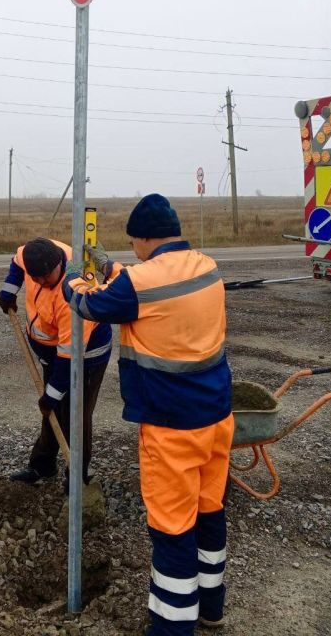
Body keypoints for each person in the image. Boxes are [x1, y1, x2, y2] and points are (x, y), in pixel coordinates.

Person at [63, 195, 233, 635]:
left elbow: (91, 306)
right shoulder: (206, 265)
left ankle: (173, 627)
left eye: (134, 243)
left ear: (143, 238)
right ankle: (211, 609)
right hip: (217, 417)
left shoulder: (139, 283)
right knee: (209, 511)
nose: (134, 250)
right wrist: (113, 269)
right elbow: (148, 286)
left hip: (171, 426)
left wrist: (74, 279)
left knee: (172, 528)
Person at [0, 237, 112, 489]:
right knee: (50, 409)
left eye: (44, 278)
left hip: (86, 357)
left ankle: (77, 476)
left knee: (75, 414)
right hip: (54, 352)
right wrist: (9, 289)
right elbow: (17, 263)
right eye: (34, 278)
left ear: (57, 265)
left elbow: (69, 360)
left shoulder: (73, 296)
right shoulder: (35, 255)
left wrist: (52, 393)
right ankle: (42, 465)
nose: (39, 282)